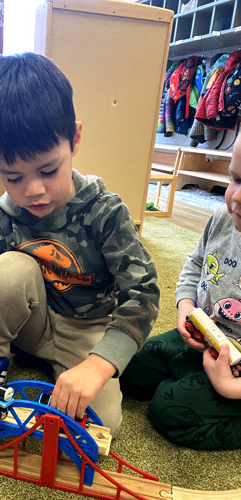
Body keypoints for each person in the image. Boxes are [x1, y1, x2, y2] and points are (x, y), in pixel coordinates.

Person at [0, 52, 159, 434]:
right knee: (7, 270)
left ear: (74, 139)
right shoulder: (1, 219)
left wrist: (97, 365)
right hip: (29, 325)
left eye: (48, 170)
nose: (33, 190)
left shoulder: (106, 213)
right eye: (13, 177)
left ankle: (67, 368)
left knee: (103, 426)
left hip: (87, 328)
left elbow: (143, 296)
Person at [120, 132, 241, 449]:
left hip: (237, 370)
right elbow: (196, 263)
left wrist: (227, 387)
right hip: (206, 335)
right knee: (128, 368)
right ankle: (194, 380)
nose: (236, 197)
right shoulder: (224, 218)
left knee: (168, 411)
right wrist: (186, 306)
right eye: (236, 179)